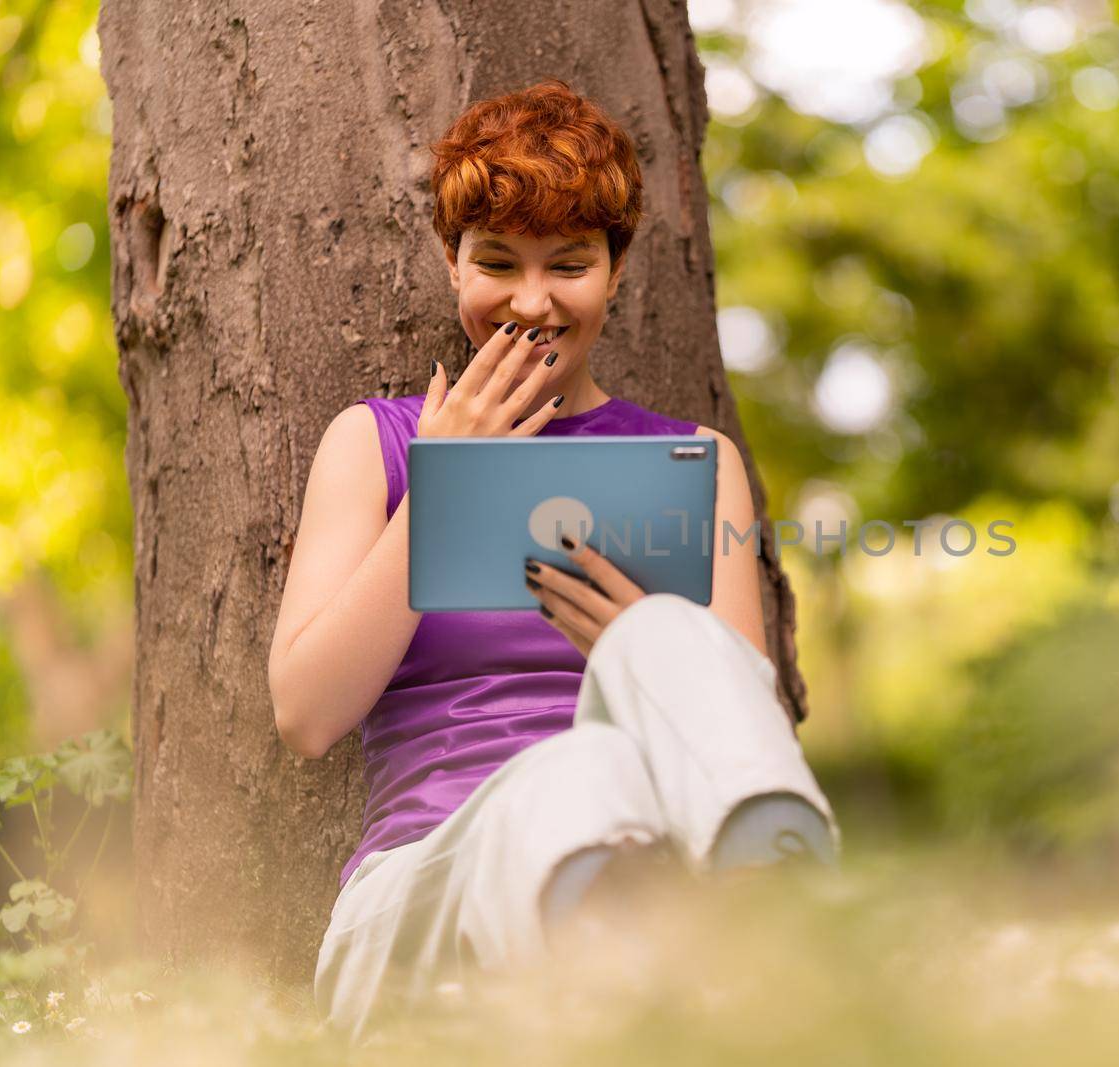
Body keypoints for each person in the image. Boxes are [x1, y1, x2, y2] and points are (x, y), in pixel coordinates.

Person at [265, 78, 839, 1044]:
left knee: (627, 733)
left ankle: (770, 897)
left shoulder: (697, 464)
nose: (531, 303)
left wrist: (634, 640)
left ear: (614, 273)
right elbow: (306, 716)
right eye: (498, 263)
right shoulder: (376, 445)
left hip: (649, 881)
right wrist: (445, 486)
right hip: (421, 896)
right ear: (453, 267)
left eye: (568, 265)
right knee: (572, 776)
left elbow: (741, 713)